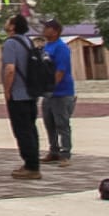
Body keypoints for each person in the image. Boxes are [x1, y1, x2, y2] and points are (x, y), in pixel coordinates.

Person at [1, 13, 41, 180]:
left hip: (18, 94)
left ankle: (31, 167)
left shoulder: (11, 43)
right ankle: (32, 162)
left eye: (8, 20)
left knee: (22, 131)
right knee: (31, 129)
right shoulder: (28, 41)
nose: (5, 22)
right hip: (31, 92)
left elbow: (10, 69)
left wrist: (7, 90)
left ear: (13, 26)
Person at [39, 18, 76, 165]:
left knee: (62, 124)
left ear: (55, 31)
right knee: (49, 123)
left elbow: (61, 70)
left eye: (47, 28)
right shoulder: (47, 47)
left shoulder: (61, 48)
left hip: (61, 92)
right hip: (48, 93)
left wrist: (53, 86)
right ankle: (53, 151)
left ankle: (65, 154)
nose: (44, 30)